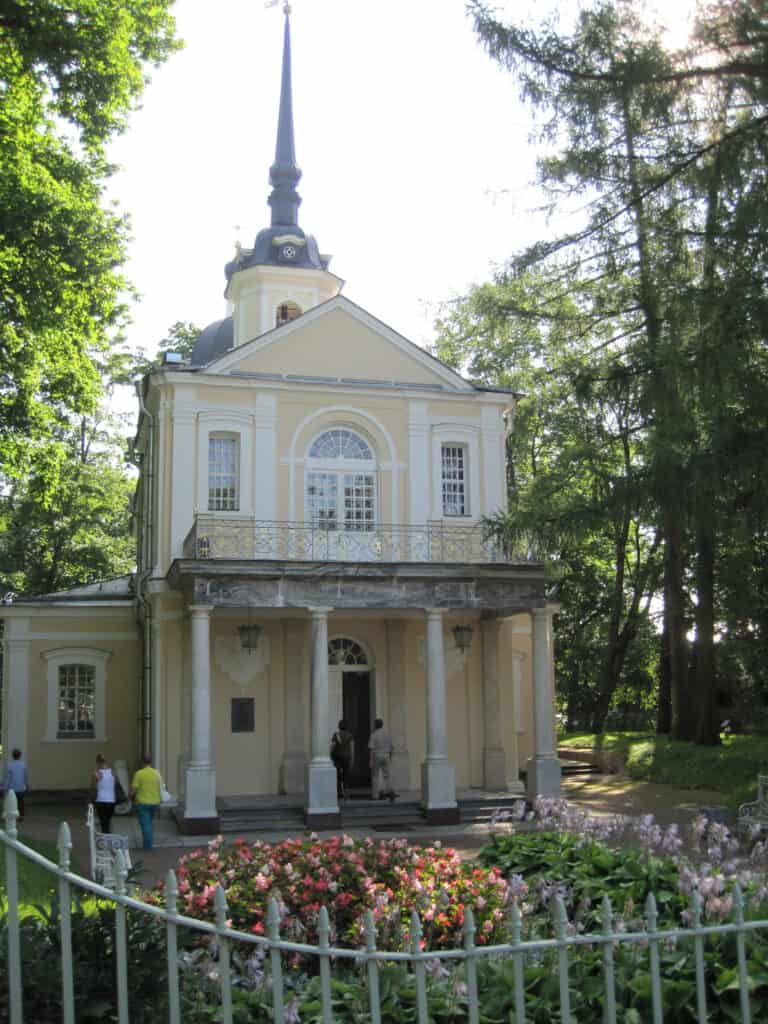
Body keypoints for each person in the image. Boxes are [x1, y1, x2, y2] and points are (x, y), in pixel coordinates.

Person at [131, 753, 161, 850]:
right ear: (150, 762)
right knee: (148, 823)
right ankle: (147, 843)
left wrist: (129, 797)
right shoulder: (157, 773)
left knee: (146, 825)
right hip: (155, 802)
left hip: (143, 803)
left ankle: (148, 847)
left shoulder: (139, 773)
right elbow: (161, 786)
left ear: (142, 762)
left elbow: (134, 789)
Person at [368, 718, 397, 802]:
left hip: (377, 755)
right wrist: (390, 756)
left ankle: (375, 795)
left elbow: (371, 748)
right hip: (386, 755)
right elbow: (392, 747)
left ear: (375, 725)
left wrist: (370, 760)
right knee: (387, 775)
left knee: (375, 775)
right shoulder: (387, 734)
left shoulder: (373, 735)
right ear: (382, 725)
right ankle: (388, 792)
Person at [91, 753, 117, 833]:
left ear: (97, 762)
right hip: (111, 801)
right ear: (106, 762)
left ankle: (105, 838)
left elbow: (93, 787)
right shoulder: (112, 772)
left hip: (101, 800)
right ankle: (107, 836)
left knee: (103, 822)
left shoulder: (96, 773)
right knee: (107, 821)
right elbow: (115, 784)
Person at [330, 719, 355, 799]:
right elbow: (352, 748)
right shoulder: (350, 735)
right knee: (346, 776)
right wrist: (352, 759)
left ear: (339, 726)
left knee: (337, 776)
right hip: (347, 758)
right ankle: (346, 794)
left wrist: (330, 754)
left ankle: (339, 793)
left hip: (337, 757)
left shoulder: (336, 734)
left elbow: (333, 746)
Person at [4, 749, 28, 822]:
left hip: (12, 788)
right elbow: (25, 776)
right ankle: (21, 816)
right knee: (21, 802)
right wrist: (26, 784)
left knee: (12, 802)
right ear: (20, 756)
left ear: (12, 756)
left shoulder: (9, 765)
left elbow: (7, 778)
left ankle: (12, 816)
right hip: (21, 787)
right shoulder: (23, 764)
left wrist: (4, 787)